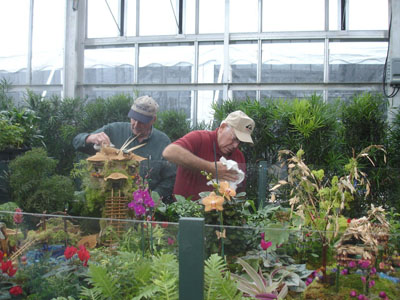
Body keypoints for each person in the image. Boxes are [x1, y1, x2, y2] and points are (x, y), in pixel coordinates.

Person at [73, 95, 176, 200]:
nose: (135, 125)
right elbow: (76, 142)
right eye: (134, 119)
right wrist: (90, 138)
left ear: (153, 120)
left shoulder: (163, 142)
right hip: (109, 201)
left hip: (144, 206)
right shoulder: (114, 130)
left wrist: (150, 198)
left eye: (141, 121)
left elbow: (170, 179)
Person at [162, 110, 255, 200]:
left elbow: (239, 195)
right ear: (222, 127)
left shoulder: (238, 156)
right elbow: (169, 152)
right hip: (186, 213)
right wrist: (210, 168)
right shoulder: (200, 138)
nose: (236, 145)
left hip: (220, 214)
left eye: (240, 141)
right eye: (234, 138)